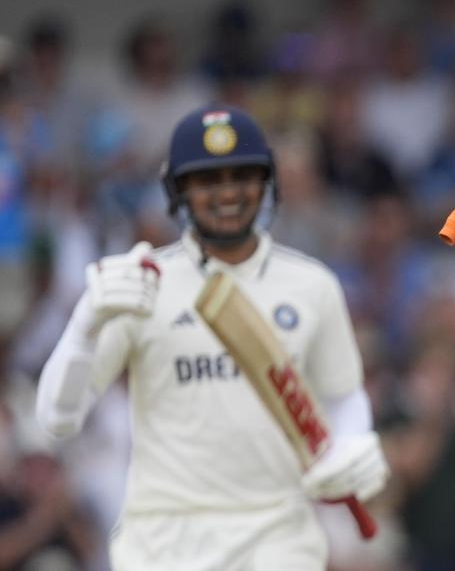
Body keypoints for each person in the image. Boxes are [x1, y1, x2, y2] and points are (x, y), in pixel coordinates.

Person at [34, 106, 388, 570]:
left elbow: (342, 397)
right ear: (177, 190)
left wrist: (354, 442)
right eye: (206, 180)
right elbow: (56, 419)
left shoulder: (312, 285)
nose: (227, 193)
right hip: (165, 543)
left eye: (242, 176)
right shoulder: (143, 281)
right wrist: (84, 328)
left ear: (267, 183)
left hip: (278, 538)